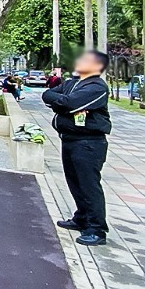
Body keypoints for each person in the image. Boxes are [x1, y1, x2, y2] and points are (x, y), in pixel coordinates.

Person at [43, 50, 112, 247]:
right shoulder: (72, 83)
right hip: (69, 139)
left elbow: (70, 103)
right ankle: (81, 217)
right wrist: (61, 104)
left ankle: (96, 229)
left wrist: (62, 103)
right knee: (75, 182)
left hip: (89, 142)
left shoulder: (96, 87)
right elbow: (48, 93)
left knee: (88, 185)